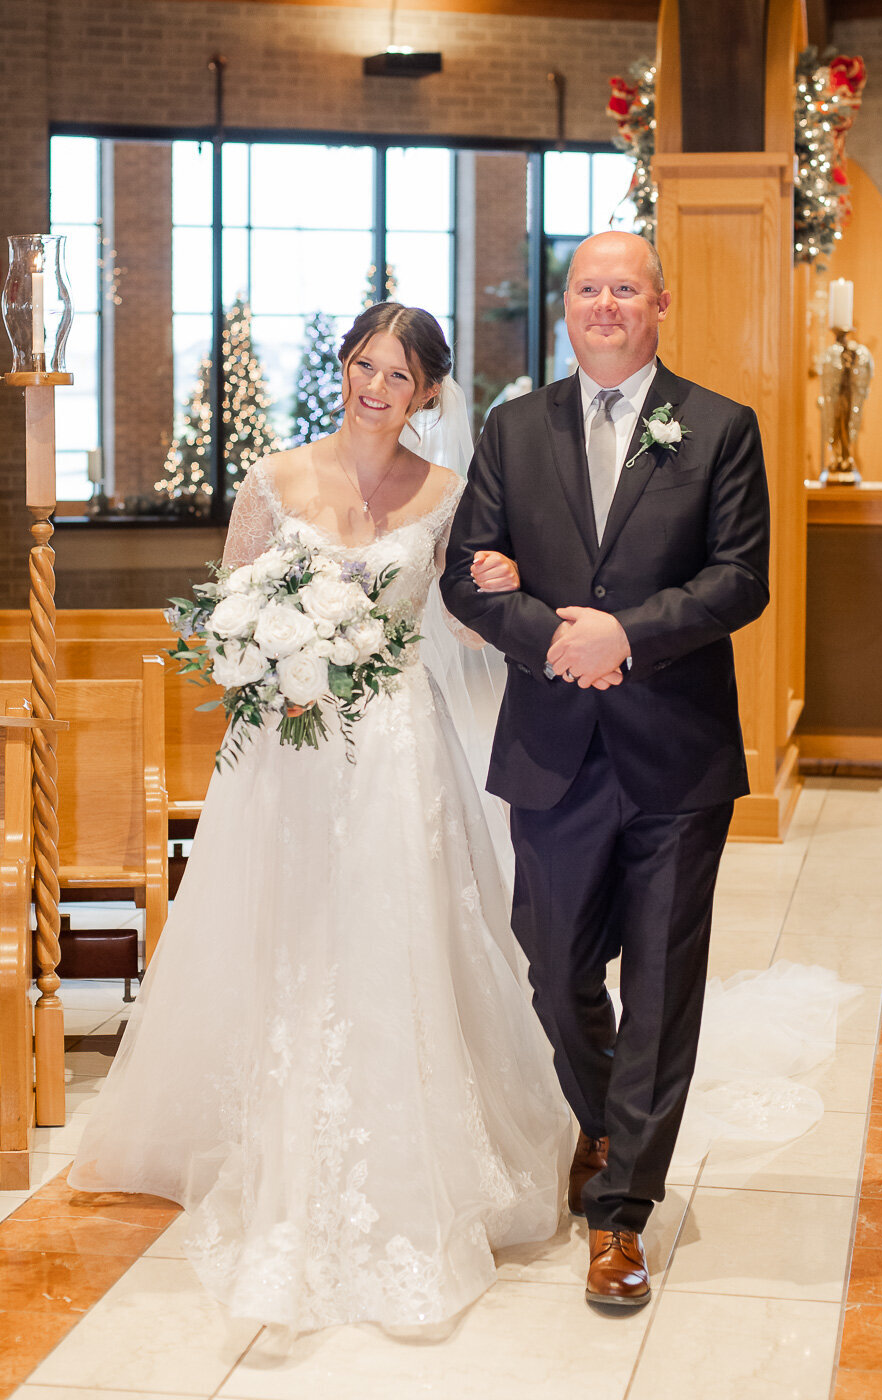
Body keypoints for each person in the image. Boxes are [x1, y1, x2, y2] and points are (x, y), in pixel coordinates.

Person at [69, 302, 573, 1334]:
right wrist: (263, 652)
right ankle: (269, 1131)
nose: (372, 387)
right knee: (288, 940)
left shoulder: (446, 492)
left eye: (396, 374)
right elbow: (226, 614)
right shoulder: (275, 477)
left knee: (393, 945)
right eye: (360, 365)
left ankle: (405, 1145)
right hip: (288, 758)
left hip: (396, 754)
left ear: (429, 389)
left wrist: (514, 581)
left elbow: (471, 614)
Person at [440, 230, 772, 1309]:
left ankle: (620, 1208)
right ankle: (611, 1117)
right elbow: (466, 575)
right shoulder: (512, 426)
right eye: (589, 287)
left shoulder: (721, 426)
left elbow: (740, 577)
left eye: (626, 287)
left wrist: (622, 633)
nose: (606, 303)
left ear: (660, 303)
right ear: (566, 305)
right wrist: (548, 633)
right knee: (551, 963)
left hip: (675, 751)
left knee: (663, 987)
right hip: (551, 747)